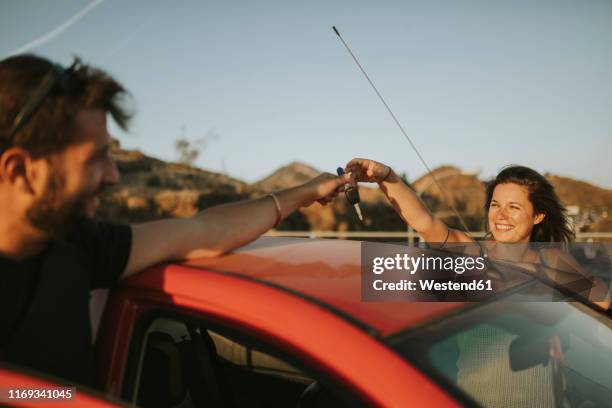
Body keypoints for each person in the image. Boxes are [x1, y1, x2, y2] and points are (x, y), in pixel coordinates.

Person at [0, 54, 350, 386]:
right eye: (95, 159)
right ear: (20, 171)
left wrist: (307, 191)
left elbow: (205, 230)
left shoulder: (77, 245)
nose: (113, 177)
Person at [344, 158, 610, 310]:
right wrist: (386, 176)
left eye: (514, 207)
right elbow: (425, 222)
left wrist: (530, 271)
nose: (500, 215)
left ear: (538, 215)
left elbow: (603, 299)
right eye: (495, 205)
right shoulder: (474, 252)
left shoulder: (551, 258)